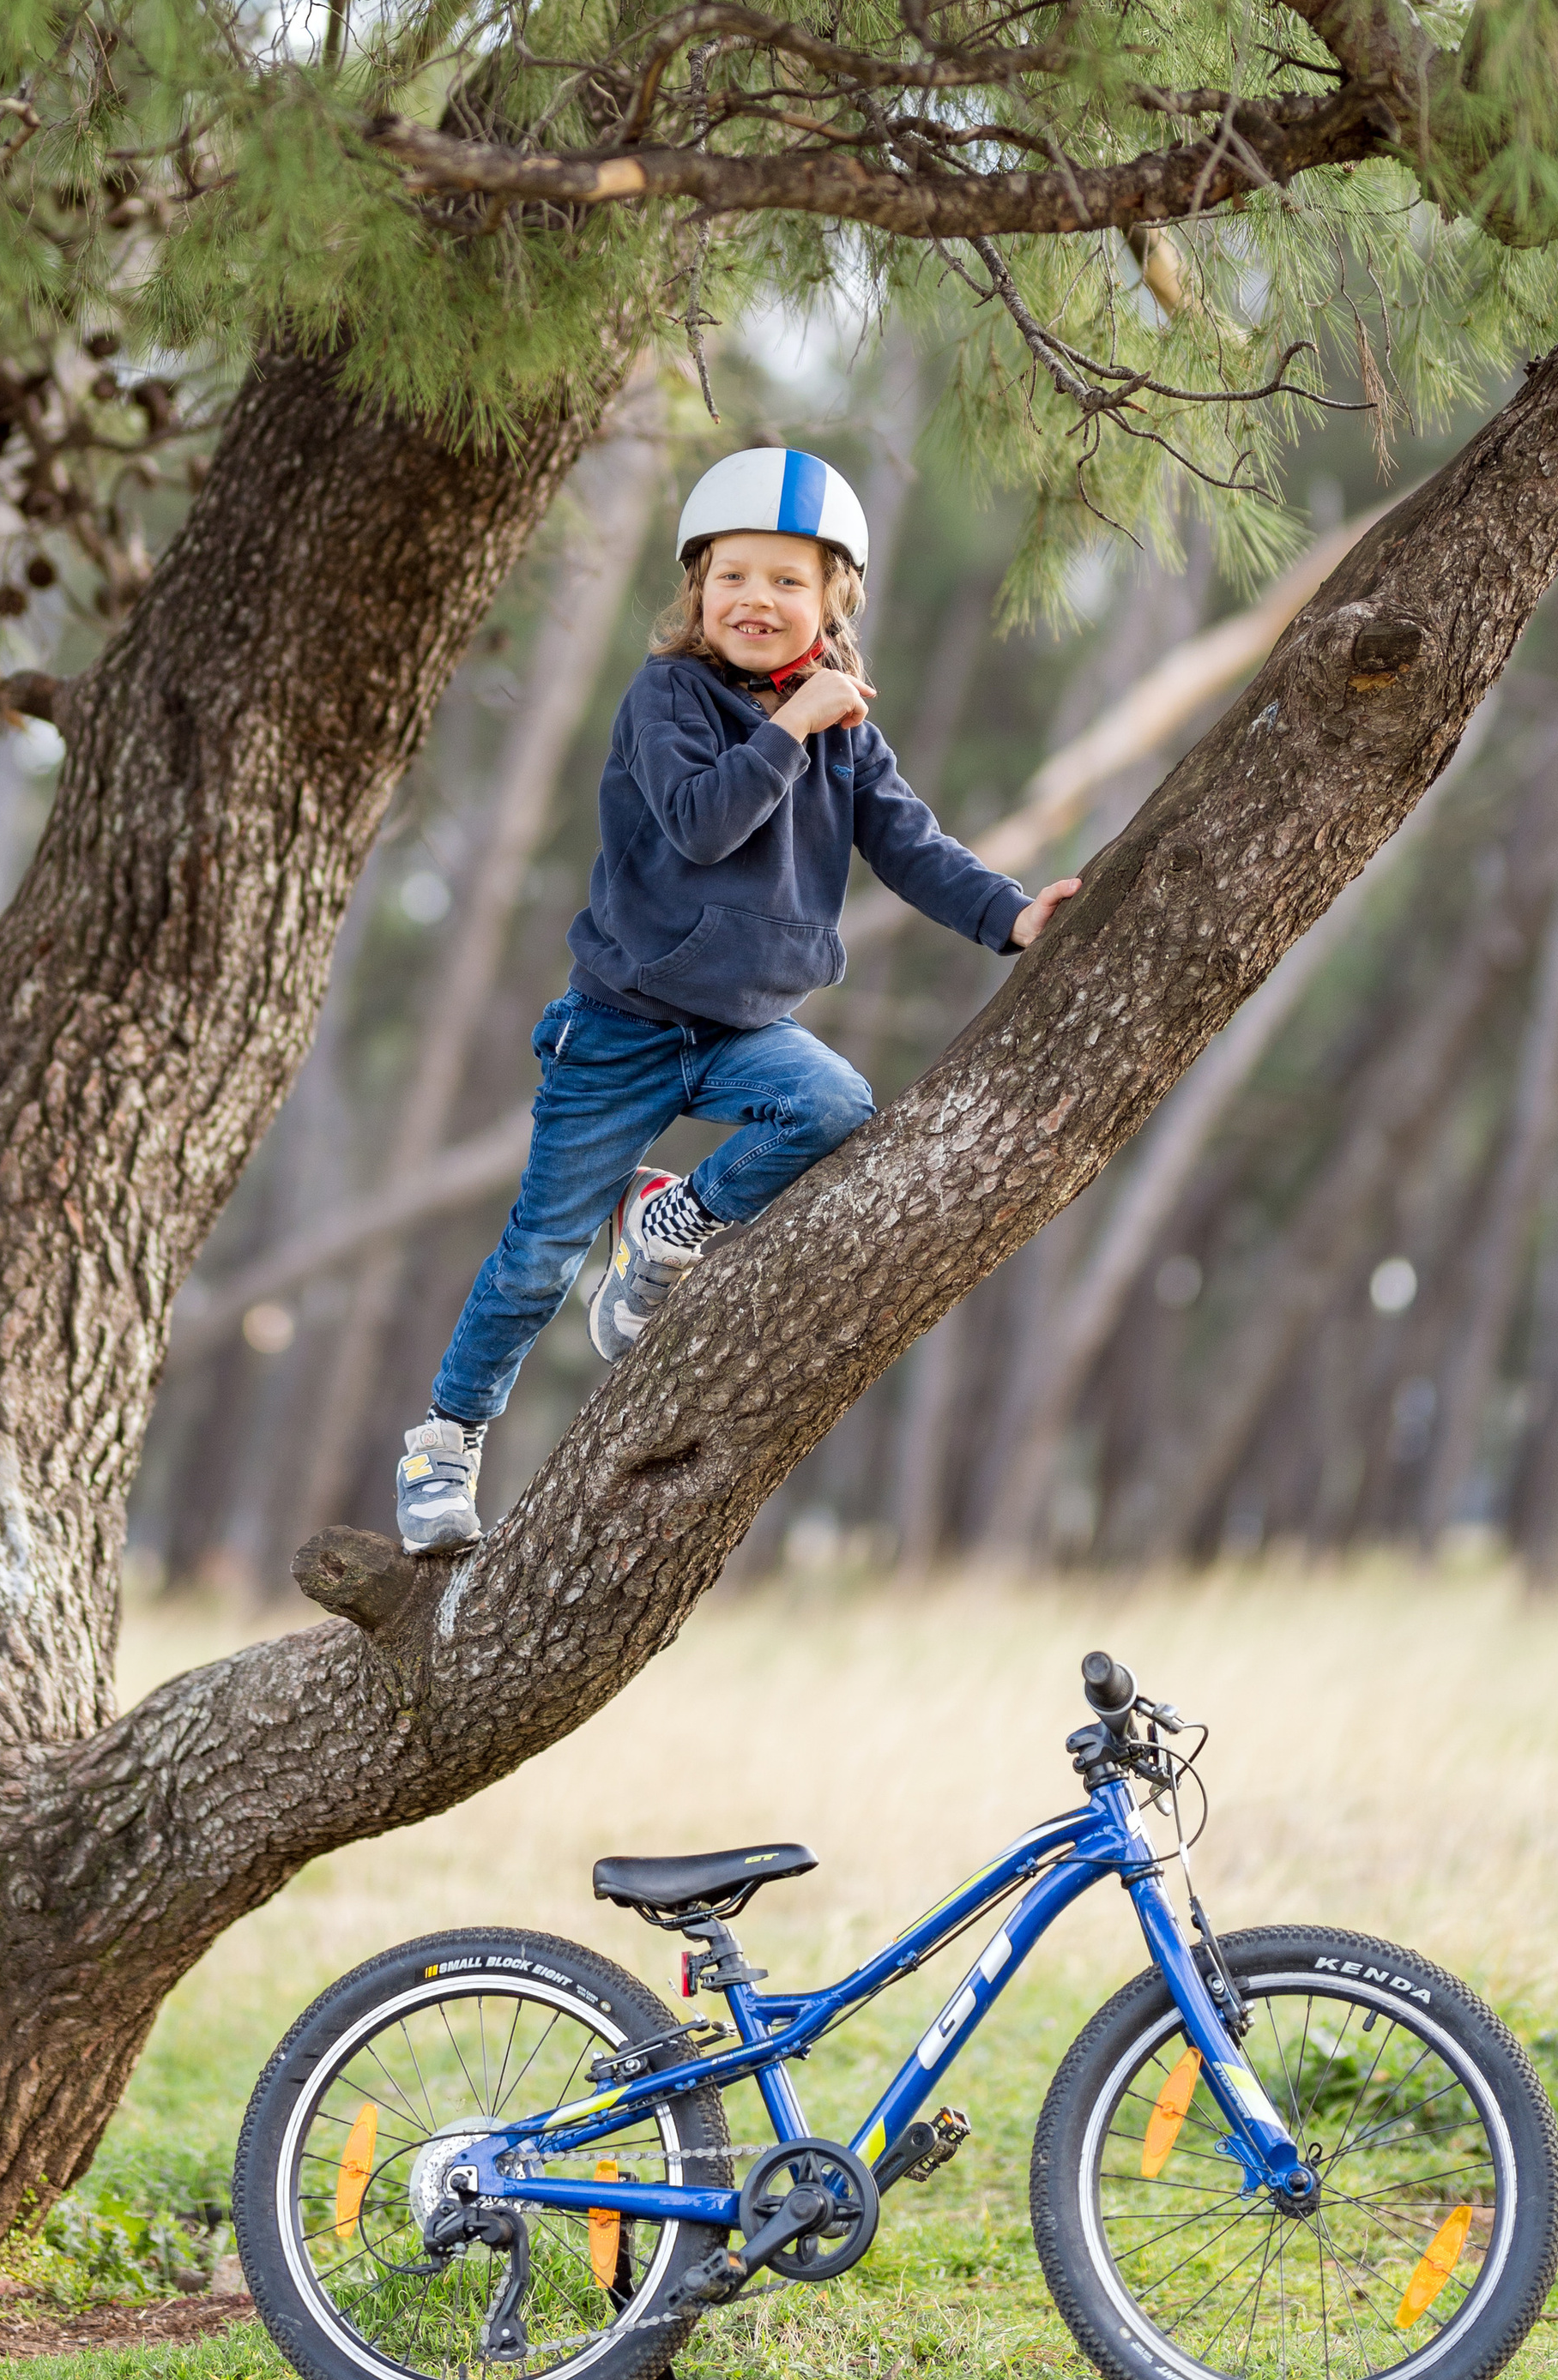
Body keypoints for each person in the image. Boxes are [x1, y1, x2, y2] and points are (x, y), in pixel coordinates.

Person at [394, 445, 1080, 1555]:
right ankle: (445, 1440)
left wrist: (1011, 918)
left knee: (835, 1106)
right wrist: (792, 726)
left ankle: (669, 1224)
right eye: (733, 576)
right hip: (618, 1026)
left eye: (787, 580)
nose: (756, 598)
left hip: (745, 1029)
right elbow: (704, 823)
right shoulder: (668, 697)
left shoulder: (846, 734)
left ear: (835, 600)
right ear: (697, 588)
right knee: (536, 1258)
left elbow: (911, 847)